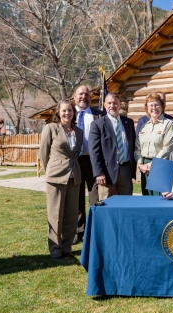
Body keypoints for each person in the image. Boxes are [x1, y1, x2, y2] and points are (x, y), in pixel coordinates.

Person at [40, 100, 83, 260]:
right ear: (58, 112)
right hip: (56, 177)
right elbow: (43, 154)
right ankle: (55, 250)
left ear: (74, 113)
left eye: (70, 111)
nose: (67, 113)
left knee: (72, 215)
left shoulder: (78, 131)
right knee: (55, 215)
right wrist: (50, 171)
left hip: (74, 177)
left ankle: (66, 248)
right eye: (64, 111)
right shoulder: (50, 128)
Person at [89, 93, 136, 199]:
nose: (112, 105)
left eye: (115, 103)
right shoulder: (98, 124)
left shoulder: (128, 122)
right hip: (106, 173)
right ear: (105, 105)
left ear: (120, 105)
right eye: (109, 103)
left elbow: (132, 145)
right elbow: (94, 151)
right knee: (106, 205)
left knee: (126, 204)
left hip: (126, 171)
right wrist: (98, 172)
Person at [73, 85, 103, 245]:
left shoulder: (99, 115)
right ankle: (78, 231)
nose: (83, 96)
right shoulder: (69, 114)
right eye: (80, 94)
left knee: (95, 198)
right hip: (75, 161)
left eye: (86, 94)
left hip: (93, 162)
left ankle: (94, 232)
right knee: (76, 198)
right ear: (75, 96)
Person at [135, 93, 173, 195]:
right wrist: (140, 164)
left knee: (160, 199)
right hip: (145, 167)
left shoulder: (169, 124)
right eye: (151, 105)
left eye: (157, 105)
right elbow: (138, 147)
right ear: (147, 108)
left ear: (162, 107)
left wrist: (153, 164)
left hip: (161, 165)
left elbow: (169, 148)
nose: (154, 108)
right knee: (147, 198)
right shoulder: (144, 126)